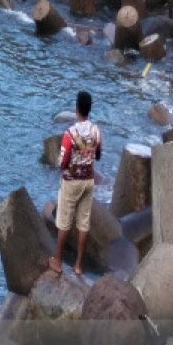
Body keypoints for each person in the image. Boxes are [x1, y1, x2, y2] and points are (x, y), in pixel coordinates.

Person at [49, 91, 102, 275]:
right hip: (88, 181)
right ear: (89, 109)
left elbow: (62, 162)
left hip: (71, 182)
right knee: (83, 223)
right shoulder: (96, 130)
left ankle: (57, 261)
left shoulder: (70, 134)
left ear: (76, 109)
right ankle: (78, 266)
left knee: (64, 222)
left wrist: (64, 164)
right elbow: (98, 154)